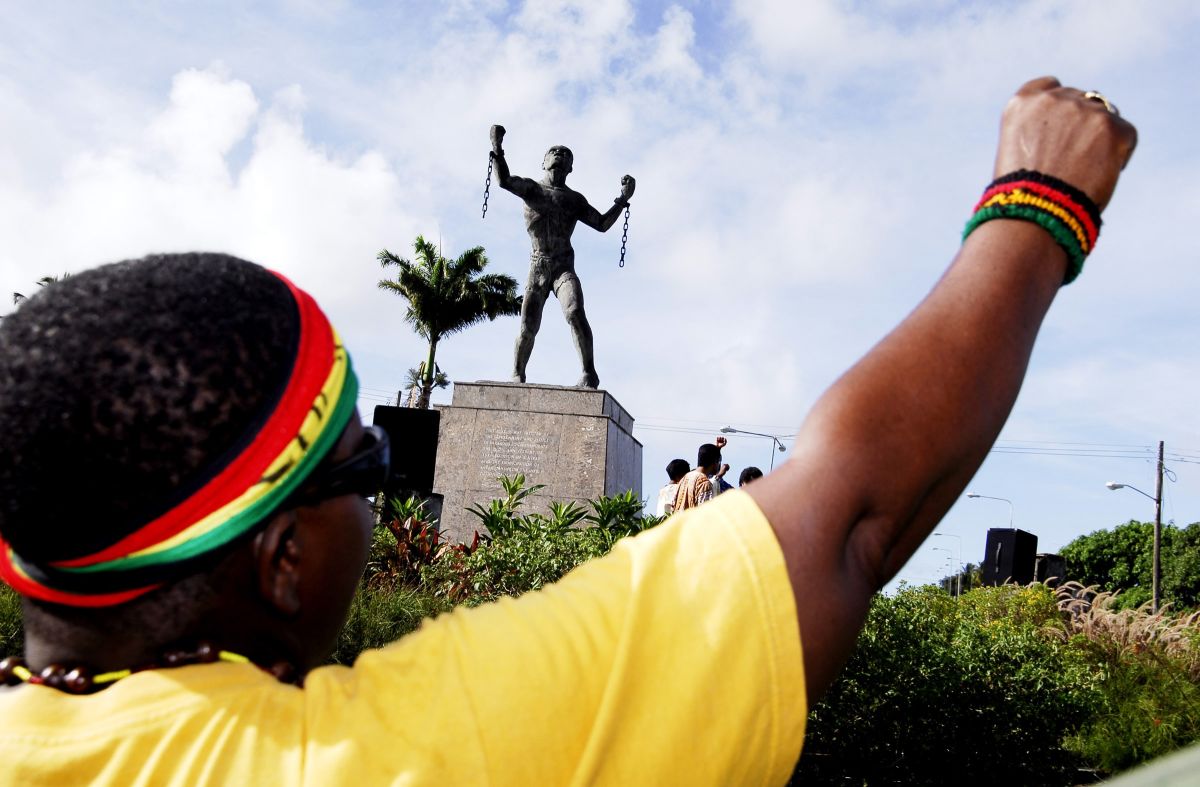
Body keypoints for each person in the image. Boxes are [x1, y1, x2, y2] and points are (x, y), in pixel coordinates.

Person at [0, 78, 1135, 785]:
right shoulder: (423, 751)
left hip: (569, 272)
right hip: (540, 278)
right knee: (541, 333)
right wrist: (1042, 202)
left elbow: (596, 217)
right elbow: (851, 515)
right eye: (370, 461)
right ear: (284, 560)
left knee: (575, 339)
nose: (383, 479)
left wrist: (625, 195)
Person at [489, 125, 635, 388]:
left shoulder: (574, 200)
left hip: (563, 267)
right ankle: (517, 372)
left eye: (566, 155)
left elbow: (601, 224)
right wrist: (497, 150)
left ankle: (589, 372)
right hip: (538, 266)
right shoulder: (532, 189)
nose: (559, 155)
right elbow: (504, 181)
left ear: (570, 168)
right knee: (528, 325)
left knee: (575, 312)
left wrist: (622, 200)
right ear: (543, 162)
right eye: (554, 152)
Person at [673, 442, 722, 511]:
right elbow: (704, 514)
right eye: (719, 461)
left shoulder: (684, 479)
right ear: (715, 461)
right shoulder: (704, 483)